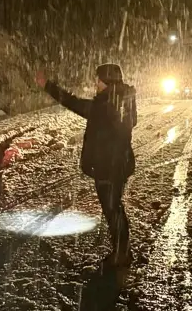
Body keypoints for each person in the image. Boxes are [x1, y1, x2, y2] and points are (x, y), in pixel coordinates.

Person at [35, 62, 137, 264]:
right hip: (118, 164)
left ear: (106, 81)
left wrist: (48, 85)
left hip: (108, 166)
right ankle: (122, 250)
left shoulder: (107, 104)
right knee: (114, 207)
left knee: (112, 209)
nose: (95, 83)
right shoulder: (121, 101)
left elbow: (73, 103)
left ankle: (121, 253)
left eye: (98, 80)